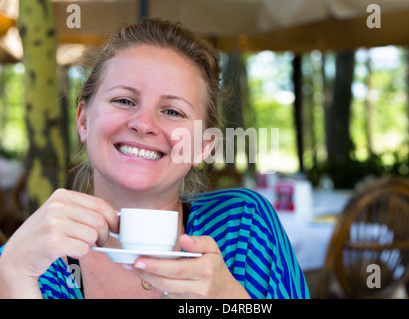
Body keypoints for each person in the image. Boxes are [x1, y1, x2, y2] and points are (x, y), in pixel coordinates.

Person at [0, 18, 309, 299]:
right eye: (123, 100)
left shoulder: (243, 225)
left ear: (203, 146)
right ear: (83, 121)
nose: (144, 124)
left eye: (172, 111)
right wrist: (13, 277)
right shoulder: (31, 263)